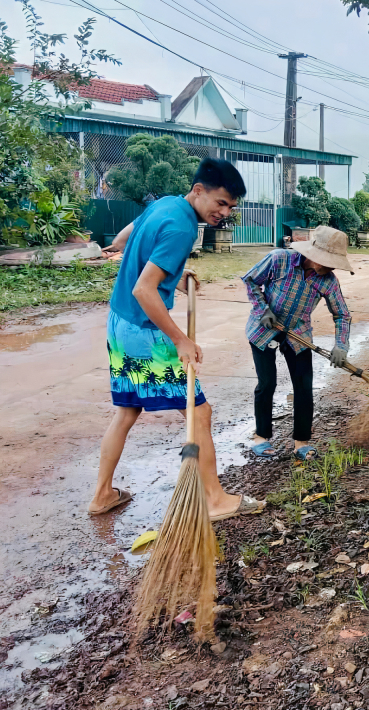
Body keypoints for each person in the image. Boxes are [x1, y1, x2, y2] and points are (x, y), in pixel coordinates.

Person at [88, 158, 264, 521]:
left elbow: (129, 236)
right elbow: (144, 289)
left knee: (127, 410)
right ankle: (214, 499)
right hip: (145, 331)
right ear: (199, 191)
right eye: (221, 203)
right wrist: (180, 339)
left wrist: (174, 275)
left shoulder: (165, 203)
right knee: (199, 412)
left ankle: (103, 494)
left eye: (231, 206)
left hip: (119, 324)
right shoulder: (182, 228)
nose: (225, 212)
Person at [243, 226, 353, 461]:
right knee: (267, 383)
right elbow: (251, 281)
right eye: (327, 260)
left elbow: (342, 314)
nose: (330, 266)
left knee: (304, 386)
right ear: (312, 254)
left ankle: (301, 442)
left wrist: (341, 346)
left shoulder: (328, 281)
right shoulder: (279, 259)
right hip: (263, 328)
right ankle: (261, 437)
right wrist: (263, 309)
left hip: (298, 334)